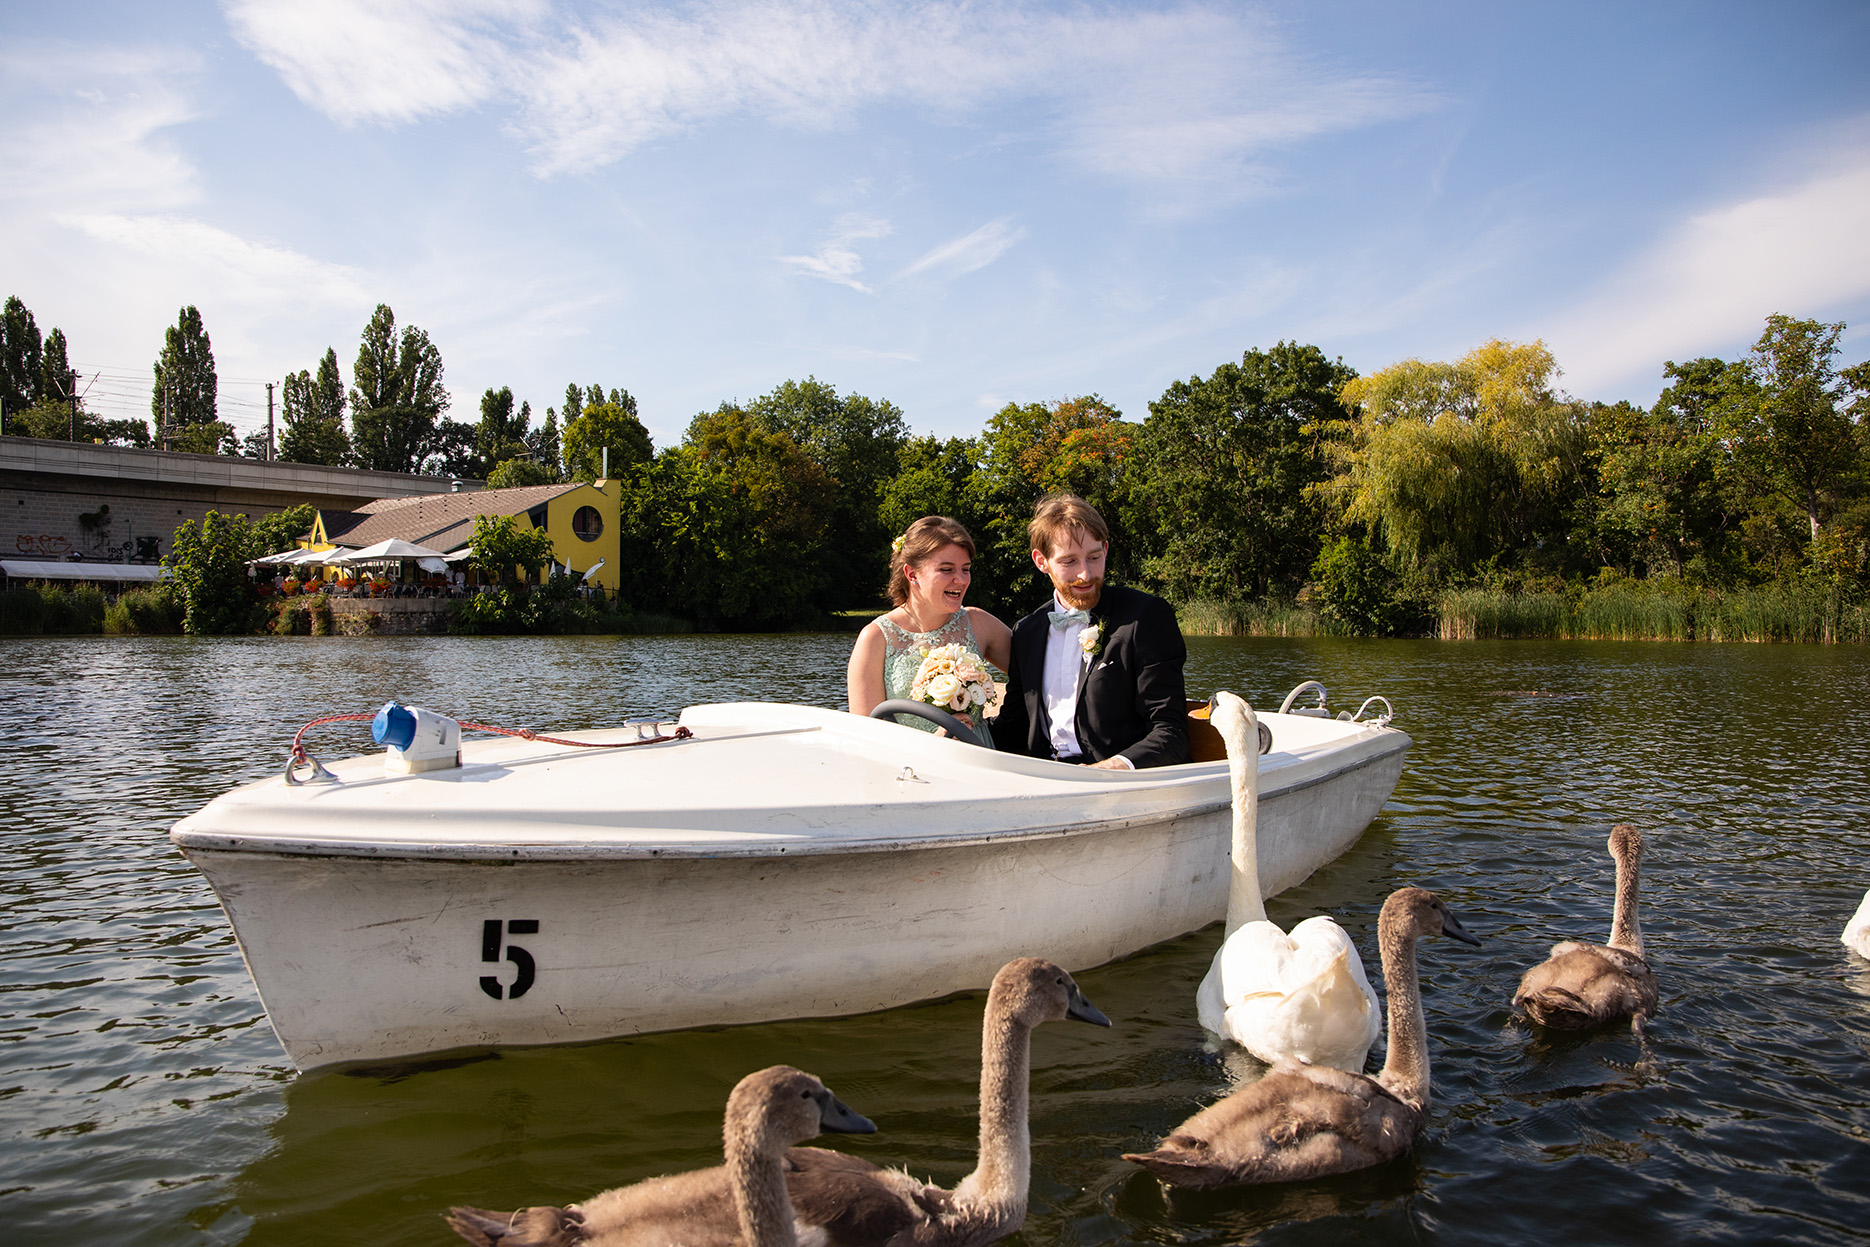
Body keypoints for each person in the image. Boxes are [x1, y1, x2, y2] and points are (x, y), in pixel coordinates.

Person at [993, 494, 1188, 769]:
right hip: (1047, 776)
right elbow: (1013, 727)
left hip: (1124, 780)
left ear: (1105, 549)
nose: (1085, 574)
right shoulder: (1026, 631)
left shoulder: (1145, 617)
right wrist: (960, 729)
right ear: (1041, 561)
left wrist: (1109, 769)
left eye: (1094, 557)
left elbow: (1171, 732)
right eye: (1069, 561)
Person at [847, 516, 1012, 744]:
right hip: (911, 762)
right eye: (947, 569)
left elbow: (1038, 672)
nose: (961, 580)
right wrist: (934, 743)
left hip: (979, 754)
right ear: (912, 574)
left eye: (966, 569)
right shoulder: (876, 638)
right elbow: (865, 737)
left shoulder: (978, 623)